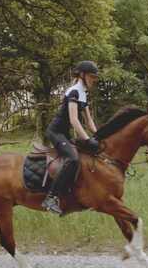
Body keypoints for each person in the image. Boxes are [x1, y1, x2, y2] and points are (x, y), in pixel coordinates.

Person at [41, 60, 101, 214]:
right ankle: (51, 197)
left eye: (95, 77)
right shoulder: (74, 91)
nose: (94, 80)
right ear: (82, 75)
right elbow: (74, 120)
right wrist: (87, 140)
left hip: (65, 134)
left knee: (86, 154)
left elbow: (88, 121)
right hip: (56, 132)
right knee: (73, 159)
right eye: (92, 76)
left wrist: (99, 136)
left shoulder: (83, 93)